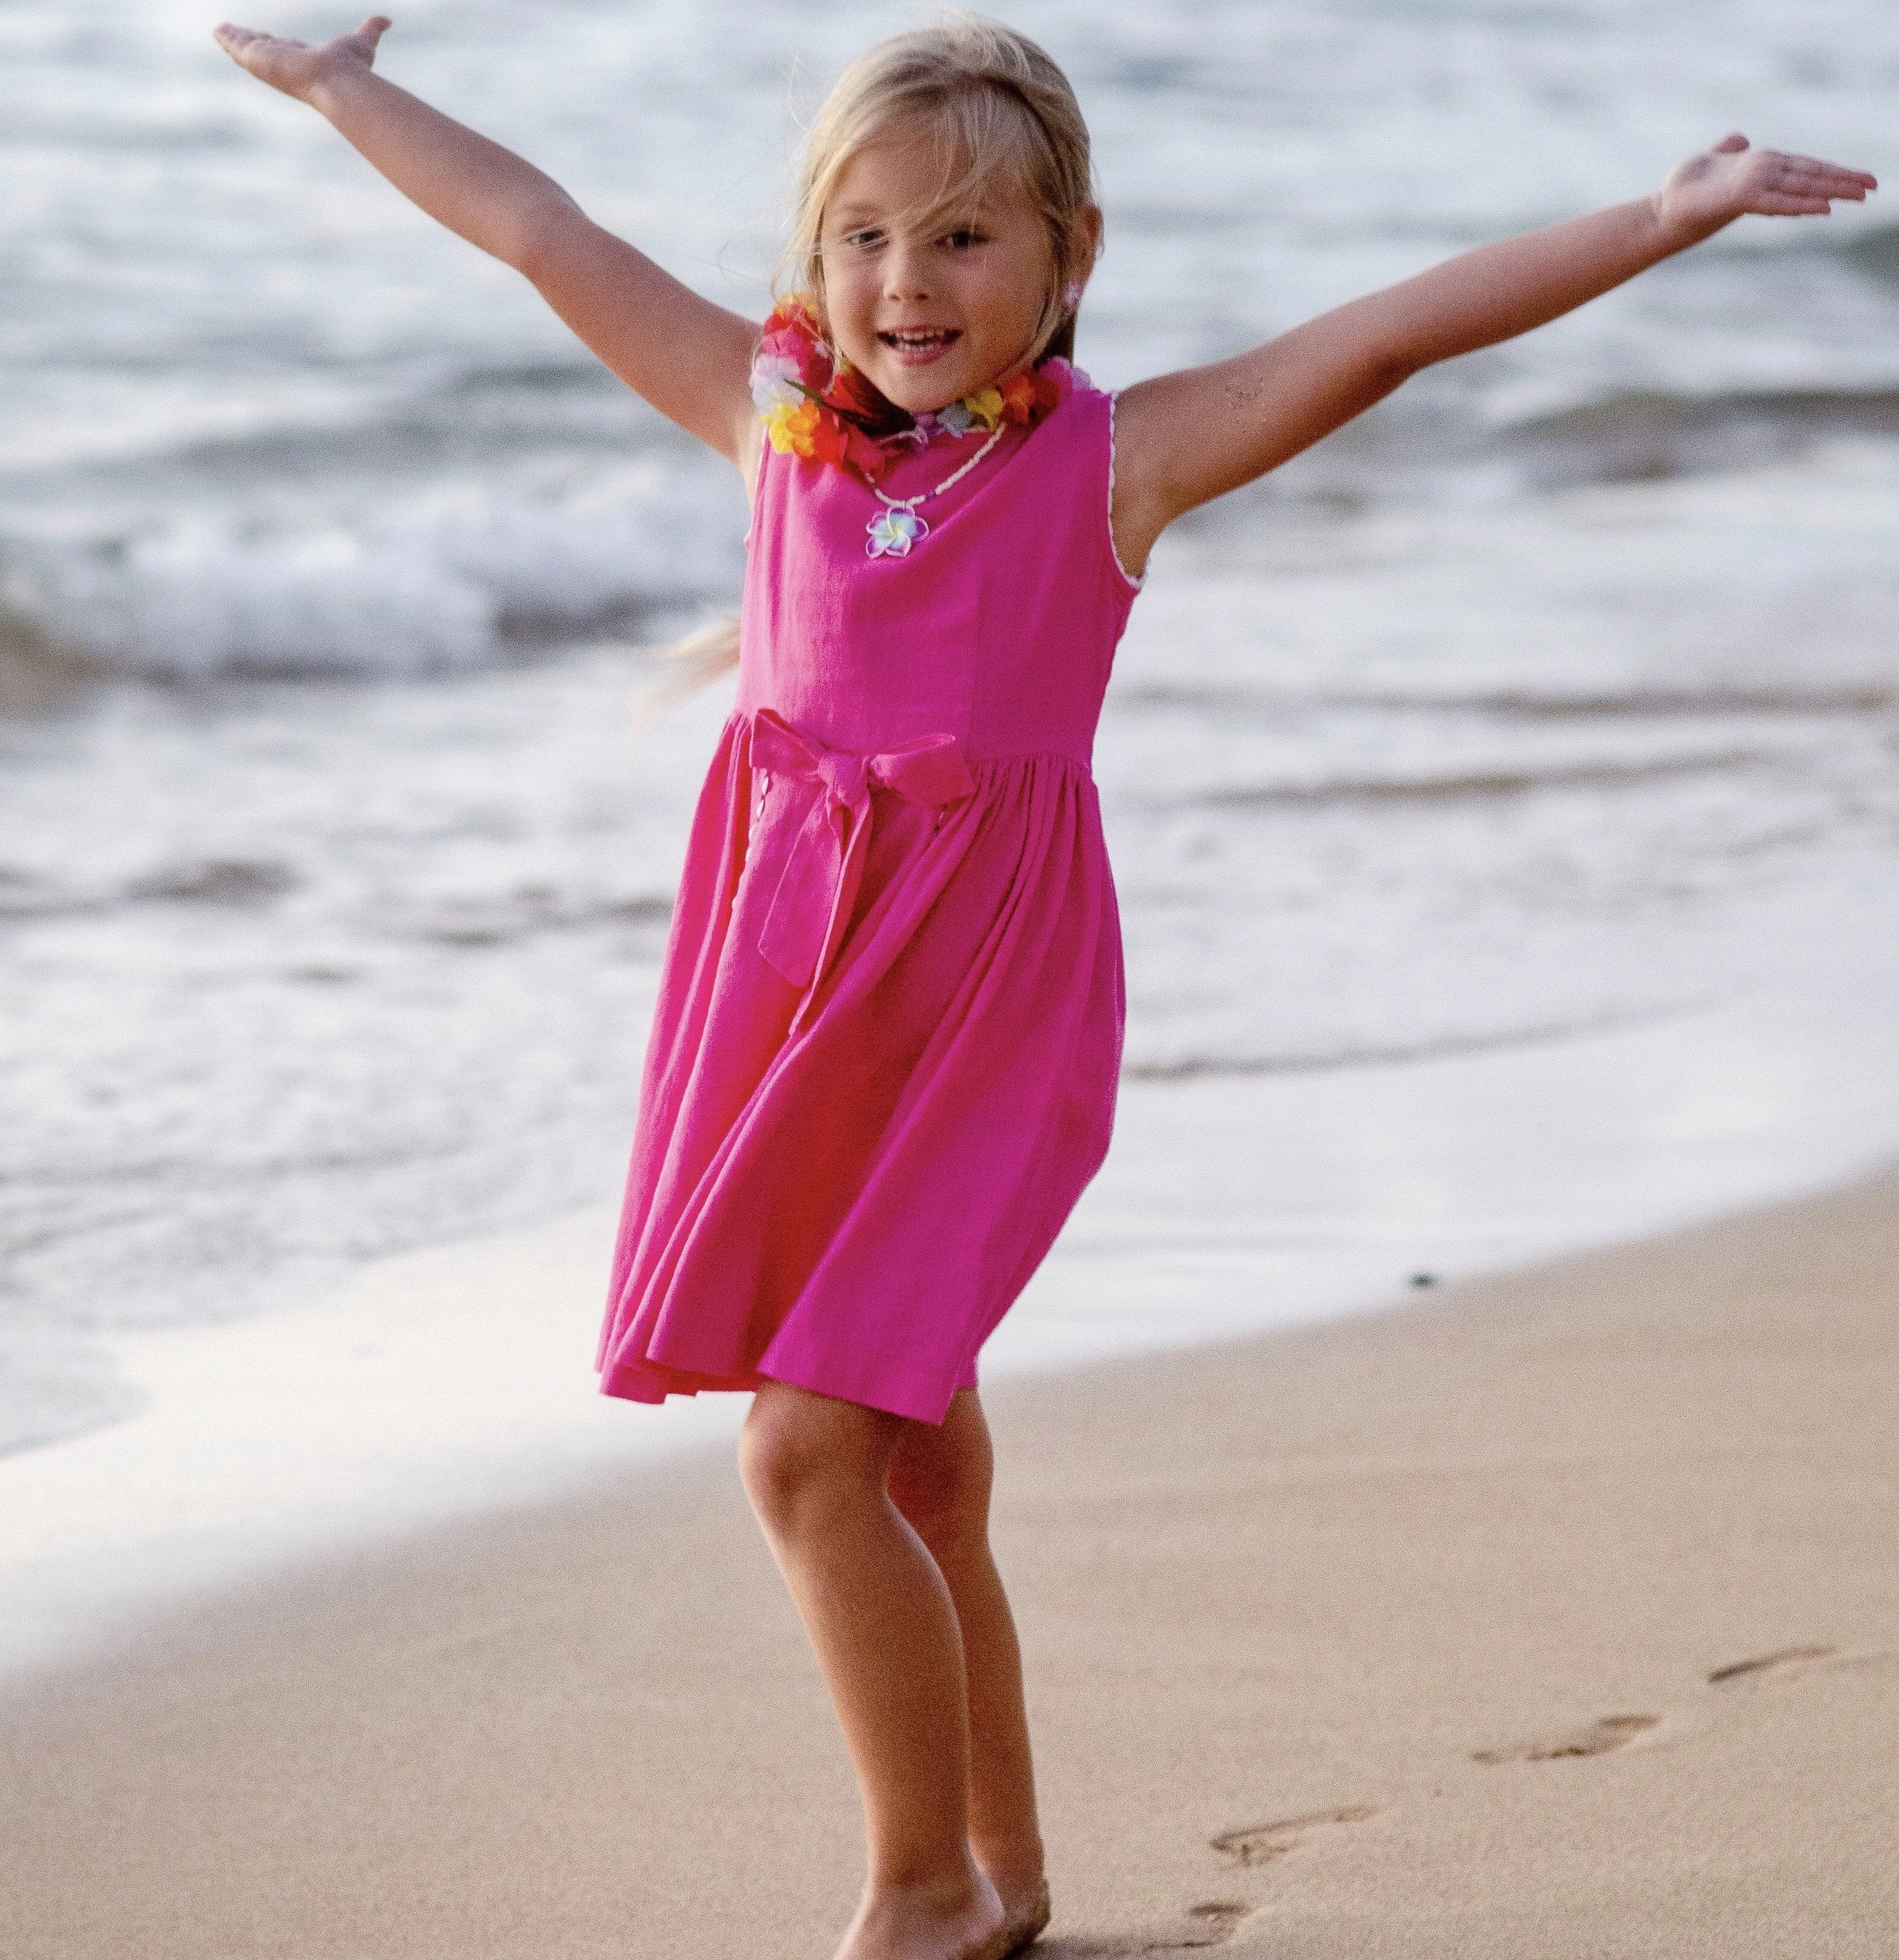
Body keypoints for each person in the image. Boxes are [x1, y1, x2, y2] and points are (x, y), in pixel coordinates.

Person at [213, 14, 1874, 1958]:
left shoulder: (1114, 466)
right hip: (800, 1009)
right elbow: (542, 228)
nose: (905, 284)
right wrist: (346, 93)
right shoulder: (772, 428)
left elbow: (1385, 330)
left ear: (1071, 255)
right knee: (916, 1462)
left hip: (984, 1029)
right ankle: (1000, 1877)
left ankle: (913, 1894)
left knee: (803, 1449)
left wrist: (1663, 219)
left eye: (963, 242)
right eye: (865, 240)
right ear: (813, 258)